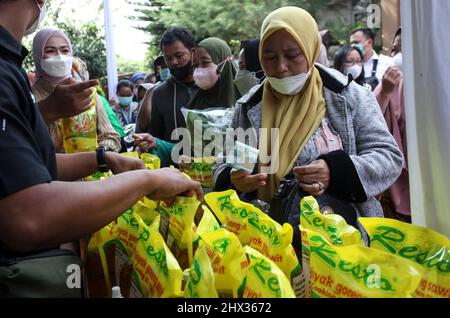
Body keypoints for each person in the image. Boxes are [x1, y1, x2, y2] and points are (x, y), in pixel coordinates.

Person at [0, 0, 202, 297]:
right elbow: (28, 214)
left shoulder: (11, 67)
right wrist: (147, 180)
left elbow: (31, 169)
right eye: (50, 51)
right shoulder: (5, 74)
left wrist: (102, 158)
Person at [213, 7, 403, 231]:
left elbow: (388, 157)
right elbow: (226, 162)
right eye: (270, 57)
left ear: (310, 49)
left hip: (341, 237)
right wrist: (235, 178)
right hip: (269, 239)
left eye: (292, 55)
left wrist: (336, 171)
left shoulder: (348, 96)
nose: (281, 67)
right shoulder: (249, 107)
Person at [31, 27, 121, 153]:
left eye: (65, 50)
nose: (60, 57)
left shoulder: (87, 93)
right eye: (50, 51)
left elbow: (112, 137)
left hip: (92, 169)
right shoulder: (28, 95)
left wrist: (100, 155)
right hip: (49, 171)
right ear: (37, 55)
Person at [373, 28, 410, 222]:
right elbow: (369, 120)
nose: (398, 57)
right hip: (397, 184)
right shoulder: (388, 85)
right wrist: (385, 93)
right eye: (395, 50)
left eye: (405, 50)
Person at [148, 27, 198, 143]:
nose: (174, 62)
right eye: (168, 58)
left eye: (179, 56)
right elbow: (156, 139)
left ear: (193, 52)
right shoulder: (159, 93)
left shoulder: (209, 86)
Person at [188, 37, 241, 109]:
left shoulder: (245, 100)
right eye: (195, 65)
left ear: (224, 62)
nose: (199, 70)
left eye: (205, 62)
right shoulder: (196, 103)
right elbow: (195, 120)